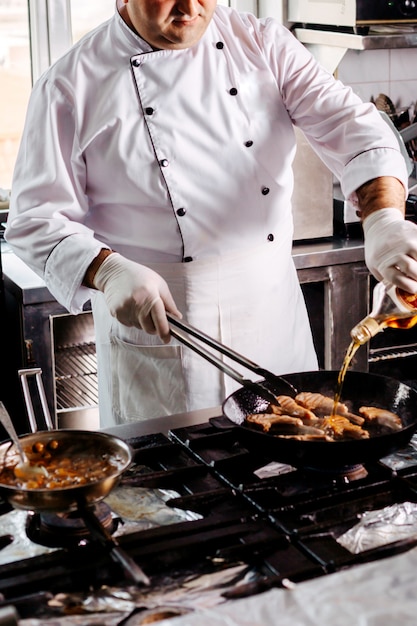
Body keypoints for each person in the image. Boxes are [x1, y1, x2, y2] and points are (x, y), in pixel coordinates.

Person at [5, 0, 417, 428]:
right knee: (171, 486)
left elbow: (357, 130)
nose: (189, 7)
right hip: (163, 324)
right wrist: (108, 272)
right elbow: (36, 219)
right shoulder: (70, 83)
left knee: (294, 461)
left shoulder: (262, 43)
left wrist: (384, 221)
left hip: (271, 315)